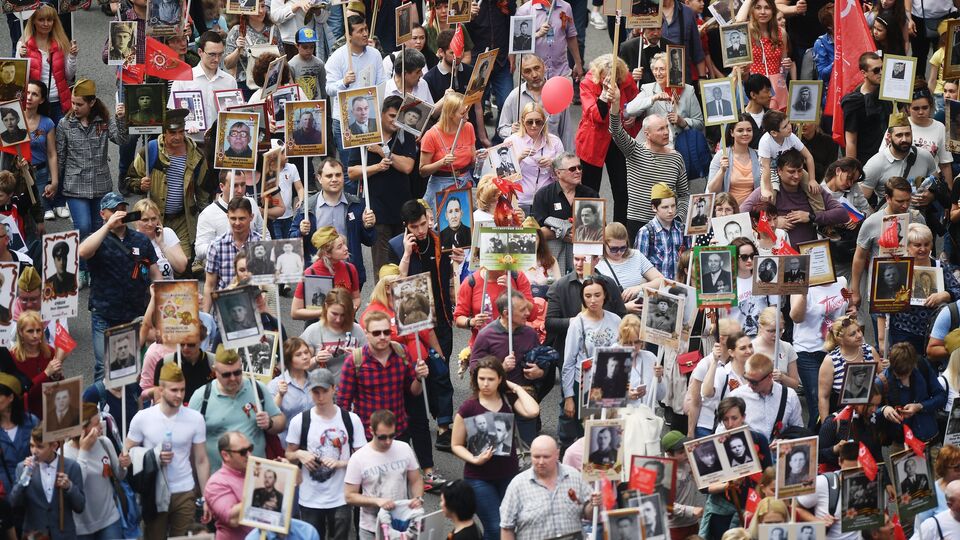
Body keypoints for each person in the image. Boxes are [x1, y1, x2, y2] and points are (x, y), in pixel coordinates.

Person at [450, 357, 539, 540]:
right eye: (481, 379)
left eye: (491, 379)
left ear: (500, 379)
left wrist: (517, 388)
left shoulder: (508, 400)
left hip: (508, 474)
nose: (485, 384)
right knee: (494, 526)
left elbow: (532, 411)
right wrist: (474, 459)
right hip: (479, 477)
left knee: (510, 525)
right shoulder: (468, 407)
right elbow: (456, 445)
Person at [124, 362, 210, 539]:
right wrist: (153, 456)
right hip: (155, 493)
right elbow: (127, 454)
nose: (179, 395)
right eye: (174, 390)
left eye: (182, 389)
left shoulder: (195, 419)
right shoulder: (143, 418)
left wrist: (207, 497)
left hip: (185, 491)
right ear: (161, 390)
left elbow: (201, 460)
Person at [57, 79, 129, 287]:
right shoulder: (65, 124)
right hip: (75, 185)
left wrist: (121, 119)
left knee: (100, 229)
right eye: (72, 103)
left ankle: (96, 269)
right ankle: (81, 269)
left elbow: (121, 140)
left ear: (92, 102)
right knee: (84, 226)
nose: (75, 108)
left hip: (100, 185)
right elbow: (60, 157)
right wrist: (56, 185)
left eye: (79, 104)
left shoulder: (104, 121)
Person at [283, 367, 365, 539]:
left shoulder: (350, 419)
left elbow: (362, 459)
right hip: (309, 498)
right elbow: (288, 455)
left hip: (341, 497)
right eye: (315, 392)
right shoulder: (300, 421)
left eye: (324, 391)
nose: (320, 397)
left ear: (334, 389)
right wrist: (299, 455)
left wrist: (340, 463)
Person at [126, 108, 209, 261]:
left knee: (182, 265)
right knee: (154, 262)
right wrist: (139, 184)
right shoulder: (150, 151)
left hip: (183, 220)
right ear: (164, 133)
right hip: (154, 219)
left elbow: (203, 190)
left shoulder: (197, 155)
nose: (178, 137)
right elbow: (128, 181)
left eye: (181, 132)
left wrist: (206, 219)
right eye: (172, 133)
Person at [608, 83, 689, 238]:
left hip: (667, 223)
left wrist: (678, 218)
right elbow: (616, 131)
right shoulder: (634, 150)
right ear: (647, 133)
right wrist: (616, 102)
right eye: (660, 129)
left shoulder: (676, 157)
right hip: (637, 222)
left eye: (666, 127)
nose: (666, 132)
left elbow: (684, 194)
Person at [499, 435, 600, 540]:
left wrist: (593, 504)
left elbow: (589, 515)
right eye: (536, 457)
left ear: (557, 454)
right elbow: (506, 527)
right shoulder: (517, 485)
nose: (541, 462)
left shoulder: (574, 476)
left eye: (546, 457)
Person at [344, 409, 424, 540]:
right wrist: (377, 501)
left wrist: (417, 498)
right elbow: (349, 496)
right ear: (371, 431)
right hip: (371, 529)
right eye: (382, 437)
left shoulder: (404, 448)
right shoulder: (358, 458)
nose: (388, 441)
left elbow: (416, 480)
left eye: (392, 436)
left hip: (401, 526)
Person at [10, 426, 85, 540]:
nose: (34, 451)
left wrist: (69, 487)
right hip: (34, 535)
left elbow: (80, 506)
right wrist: (23, 479)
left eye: (40, 446)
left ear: (54, 446)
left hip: (64, 535)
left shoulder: (71, 466)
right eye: (31, 445)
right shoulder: (22, 467)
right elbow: (13, 503)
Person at [167, 31, 239, 143]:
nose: (217, 59)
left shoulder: (229, 81)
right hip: (191, 143)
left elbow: (235, 114)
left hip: (221, 143)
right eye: (212, 54)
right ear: (200, 52)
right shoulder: (183, 79)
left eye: (220, 54)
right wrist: (186, 126)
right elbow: (173, 114)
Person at [17, 5, 77, 123]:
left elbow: (69, 77)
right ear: (33, 21)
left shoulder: (61, 43)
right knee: (40, 141)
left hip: (59, 102)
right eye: (41, 20)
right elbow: (19, 81)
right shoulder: (23, 45)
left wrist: (72, 57)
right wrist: (21, 57)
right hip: (35, 104)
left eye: (49, 20)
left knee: (60, 140)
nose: (46, 24)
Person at [203, 197, 262, 311]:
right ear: (227, 217)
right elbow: (210, 285)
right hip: (225, 309)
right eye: (233, 218)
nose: (237, 223)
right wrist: (205, 318)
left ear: (251, 217)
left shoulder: (261, 244)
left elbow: (268, 284)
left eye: (242, 218)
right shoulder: (216, 246)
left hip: (254, 310)